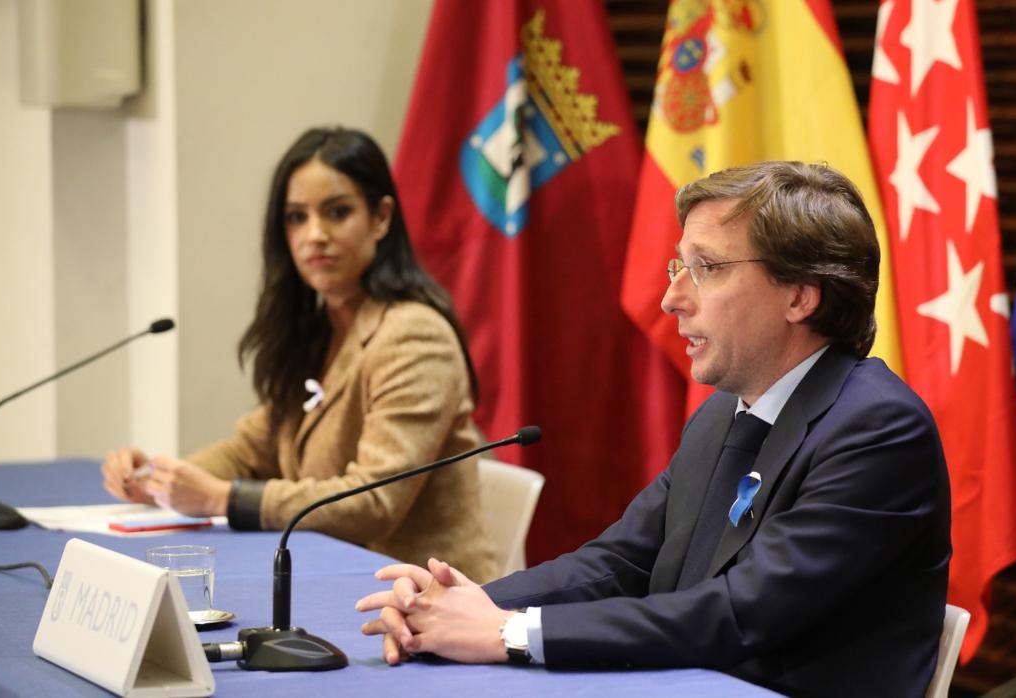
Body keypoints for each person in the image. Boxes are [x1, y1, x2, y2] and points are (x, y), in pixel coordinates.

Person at [355, 161, 951, 695]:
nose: (671, 298)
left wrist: (510, 632)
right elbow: (619, 563)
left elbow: (739, 613)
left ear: (799, 297)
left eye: (707, 268)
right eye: (679, 265)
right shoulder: (724, 413)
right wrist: (467, 606)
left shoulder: (878, 430)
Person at [101, 127, 498, 582]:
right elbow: (251, 449)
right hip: (336, 578)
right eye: (296, 217)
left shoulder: (415, 336)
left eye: (337, 212)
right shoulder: (316, 332)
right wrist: (159, 479)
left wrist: (220, 499)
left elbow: (373, 502)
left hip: (428, 598)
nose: (315, 235)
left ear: (381, 218)